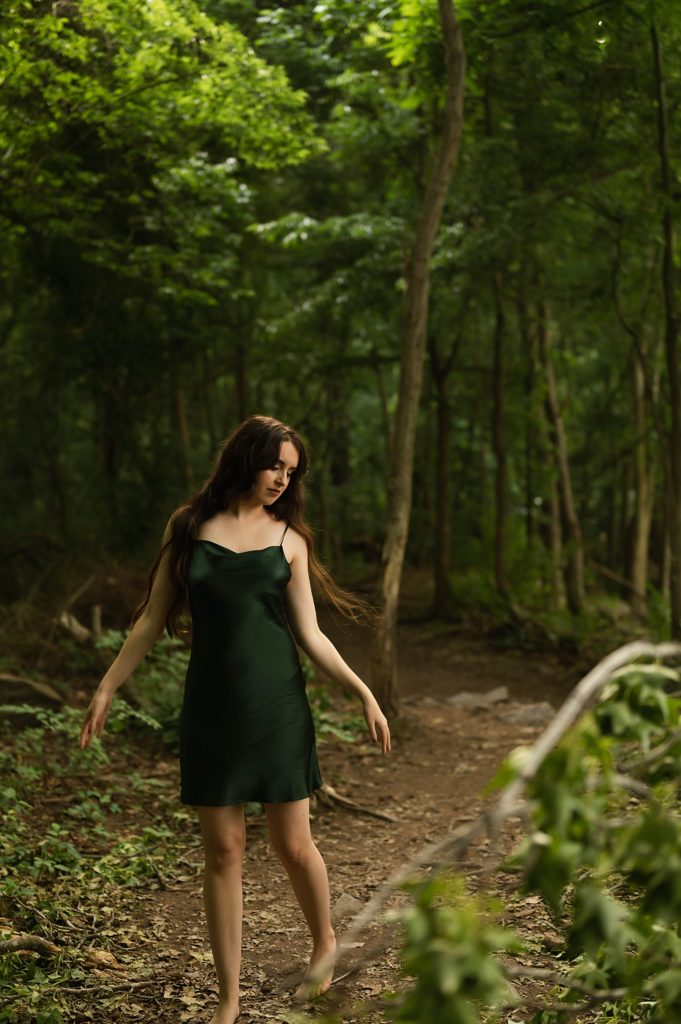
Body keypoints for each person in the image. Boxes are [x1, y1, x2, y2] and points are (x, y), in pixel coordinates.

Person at [79, 414, 391, 1024]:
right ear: (245, 458)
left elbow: (311, 633)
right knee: (222, 850)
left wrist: (363, 692)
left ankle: (325, 941)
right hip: (211, 710)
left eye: (291, 471)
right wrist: (106, 687)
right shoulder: (189, 527)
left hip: (278, 708)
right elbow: (150, 618)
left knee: (292, 845)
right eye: (274, 465)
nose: (281, 479)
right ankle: (228, 999)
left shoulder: (289, 540)